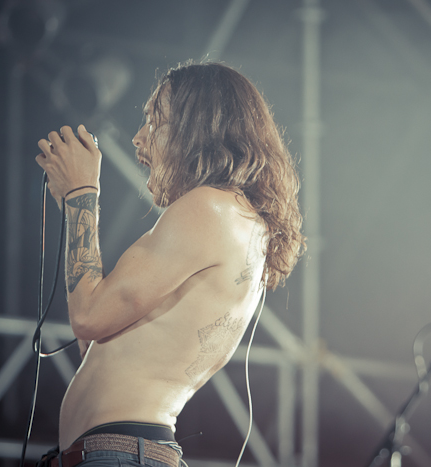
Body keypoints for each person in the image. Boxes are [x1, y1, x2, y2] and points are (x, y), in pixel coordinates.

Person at [34, 62, 305, 467]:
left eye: (154, 120)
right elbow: (99, 342)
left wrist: (83, 195)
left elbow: (88, 317)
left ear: (197, 128)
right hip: (121, 451)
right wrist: (75, 205)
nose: (138, 137)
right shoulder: (237, 220)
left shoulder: (210, 207)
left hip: (120, 454)